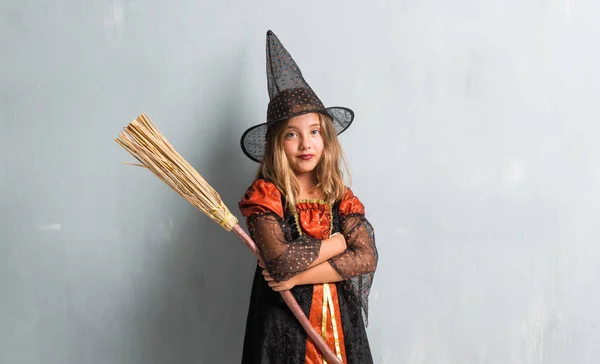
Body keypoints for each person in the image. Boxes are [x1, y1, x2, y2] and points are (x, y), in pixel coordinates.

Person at [238, 30, 378, 364]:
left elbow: (366, 258)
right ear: (276, 143)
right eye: (292, 134)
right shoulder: (268, 197)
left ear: (326, 138)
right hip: (283, 325)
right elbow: (280, 261)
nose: (306, 144)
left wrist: (299, 276)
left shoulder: (339, 197)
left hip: (340, 324)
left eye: (314, 132)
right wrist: (340, 242)